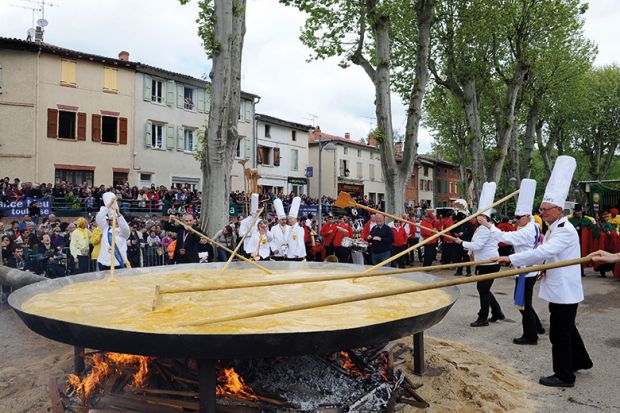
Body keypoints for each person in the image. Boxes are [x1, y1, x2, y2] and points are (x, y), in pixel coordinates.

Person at [495, 156, 592, 388]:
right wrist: (543, 269)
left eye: (546, 209)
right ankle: (581, 360)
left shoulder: (564, 230)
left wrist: (511, 258)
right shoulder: (554, 227)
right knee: (568, 329)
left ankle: (564, 376)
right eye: (541, 209)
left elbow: (543, 251)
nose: (542, 212)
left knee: (559, 334)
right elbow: (551, 254)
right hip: (559, 286)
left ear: (559, 209)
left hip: (565, 290)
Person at [477, 179, 544, 344]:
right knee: (525, 301)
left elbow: (505, 238)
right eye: (515, 217)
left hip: (525, 271)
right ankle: (538, 327)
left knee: (522, 303)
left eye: (519, 217)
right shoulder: (533, 225)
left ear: (528, 216)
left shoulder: (527, 231)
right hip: (528, 268)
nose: (516, 220)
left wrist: (487, 225)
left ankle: (531, 335)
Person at [455, 182, 504, 327]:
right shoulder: (486, 227)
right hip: (486, 263)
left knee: (483, 290)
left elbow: (477, 245)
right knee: (485, 289)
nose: (477, 218)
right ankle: (497, 312)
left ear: (484, 217)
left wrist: (460, 242)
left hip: (488, 264)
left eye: (479, 216)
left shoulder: (484, 229)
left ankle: (483, 318)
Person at [96, 192, 131, 270]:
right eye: (112, 219)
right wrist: (109, 205)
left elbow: (126, 229)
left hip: (119, 262)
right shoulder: (105, 229)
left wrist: (118, 213)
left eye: (116, 219)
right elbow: (99, 218)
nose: (115, 221)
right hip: (104, 262)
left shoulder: (122, 232)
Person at [239, 193, 260, 258]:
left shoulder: (260, 221)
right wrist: (251, 233)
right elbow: (241, 233)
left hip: (258, 245)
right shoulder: (244, 222)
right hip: (248, 244)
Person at [286, 197, 307, 261]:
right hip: (290, 255)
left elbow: (300, 242)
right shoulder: (289, 228)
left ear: (295, 219)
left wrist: (297, 254)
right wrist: (286, 252)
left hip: (297, 256)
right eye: (288, 218)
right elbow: (288, 242)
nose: (289, 220)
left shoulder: (299, 229)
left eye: (290, 218)